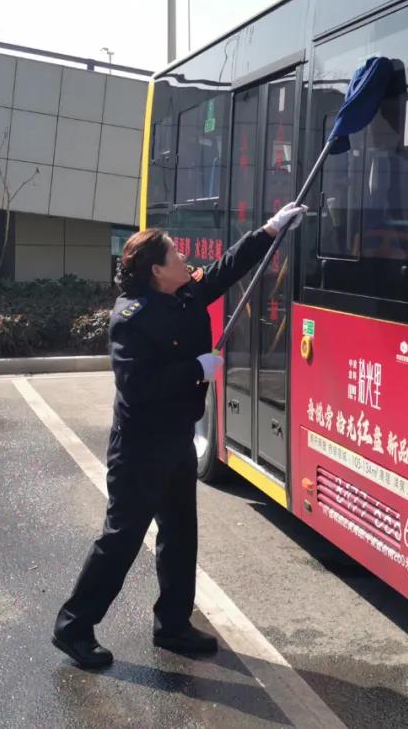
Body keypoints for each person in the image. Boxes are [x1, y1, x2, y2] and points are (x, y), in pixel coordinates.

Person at [52, 201, 306, 668]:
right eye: (175, 254)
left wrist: (270, 230)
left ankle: (172, 625)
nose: (184, 259)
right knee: (122, 539)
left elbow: (226, 269)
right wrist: (196, 369)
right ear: (156, 271)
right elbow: (138, 386)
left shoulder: (183, 292)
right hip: (139, 447)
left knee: (180, 534)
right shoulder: (131, 319)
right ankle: (73, 627)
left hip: (176, 440)